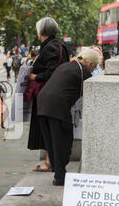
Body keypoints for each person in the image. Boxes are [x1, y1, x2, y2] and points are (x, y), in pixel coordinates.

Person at [37, 48, 100, 186]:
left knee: (52, 142)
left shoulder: (67, 65)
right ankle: (60, 177)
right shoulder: (83, 72)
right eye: (95, 67)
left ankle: (58, 173)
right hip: (57, 106)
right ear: (89, 63)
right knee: (63, 140)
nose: (94, 70)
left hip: (42, 104)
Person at [26, 17, 69, 172]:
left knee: (48, 129)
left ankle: (50, 162)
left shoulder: (50, 47)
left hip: (48, 95)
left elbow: (52, 71)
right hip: (54, 94)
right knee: (50, 129)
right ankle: (50, 161)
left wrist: (35, 77)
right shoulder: (57, 45)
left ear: (41, 31)